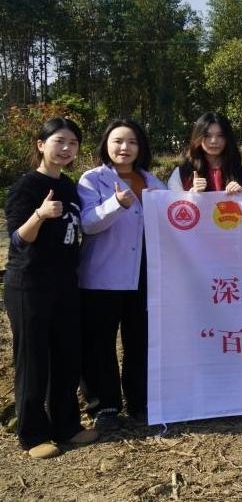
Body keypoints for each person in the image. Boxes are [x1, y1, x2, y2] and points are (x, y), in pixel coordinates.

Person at [4, 117, 98, 459]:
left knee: (66, 355)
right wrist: (40, 215)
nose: (66, 148)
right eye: (59, 141)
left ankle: (67, 426)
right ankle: (32, 434)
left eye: (72, 143)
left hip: (65, 283)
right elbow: (17, 240)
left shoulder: (70, 185)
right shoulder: (27, 187)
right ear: (41, 145)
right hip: (29, 284)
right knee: (33, 359)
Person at [77, 118, 164, 431]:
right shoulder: (92, 180)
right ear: (106, 145)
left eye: (132, 142)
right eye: (118, 141)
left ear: (141, 148)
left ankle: (140, 402)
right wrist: (116, 203)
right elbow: (88, 224)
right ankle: (105, 406)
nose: (124, 148)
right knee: (99, 342)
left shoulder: (153, 181)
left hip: (143, 275)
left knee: (139, 340)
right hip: (102, 275)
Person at [167, 113, 242, 193]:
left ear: (227, 138)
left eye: (220, 135)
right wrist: (192, 194)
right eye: (207, 136)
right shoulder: (182, 173)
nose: (214, 141)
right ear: (198, 137)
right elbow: (170, 206)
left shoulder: (241, 173)